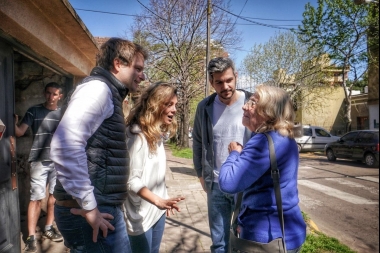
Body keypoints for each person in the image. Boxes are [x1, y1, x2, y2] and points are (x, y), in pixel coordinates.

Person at [50, 38, 148, 253]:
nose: (142, 76)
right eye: (138, 69)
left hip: (94, 207)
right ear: (118, 64)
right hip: (89, 212)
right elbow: (65, 144)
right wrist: (90, 206)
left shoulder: (106, 91)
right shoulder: (98, 89)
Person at [218, 85, 306, 253]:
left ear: (268, 111)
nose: (244, 106)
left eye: (252, 102)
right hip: (289, 233)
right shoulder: (285, 137)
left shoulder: (263, 142)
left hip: (265, 239)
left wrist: (234, 154)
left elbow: (227, 183)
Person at [192, 57, 252, 252]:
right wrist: (201, 174)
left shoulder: (252, 102)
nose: (225, 86)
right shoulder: (204, 107)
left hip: (245, 184)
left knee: (244, 239)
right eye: (219, 82)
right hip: (216, 184)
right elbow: (198, 142)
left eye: (229, 80)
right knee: (219, 243)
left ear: (236, 76)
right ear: (211, 82)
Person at [124, 82, 185, 253]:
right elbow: (131, 181)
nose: (174, 110)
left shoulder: (156, 134)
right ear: (155, 104)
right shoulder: (136, 136)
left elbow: (154, 173)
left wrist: (164, 198)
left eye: (175, 105)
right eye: (169, 104)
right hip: (139, 218)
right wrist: (158, 200)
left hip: (157, 212)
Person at [14, 82, 64, 252]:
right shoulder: (33, 111)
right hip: (39, 161)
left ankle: (48, 228)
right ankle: (30, 236)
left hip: (58, 161)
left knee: (53, 197)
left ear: (60, 96)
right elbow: (20, 132)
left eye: (55, 94)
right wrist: (12, 123)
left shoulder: (63, 114)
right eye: (48, 93)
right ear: (44, 93)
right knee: (36, 199)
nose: (51, 97)